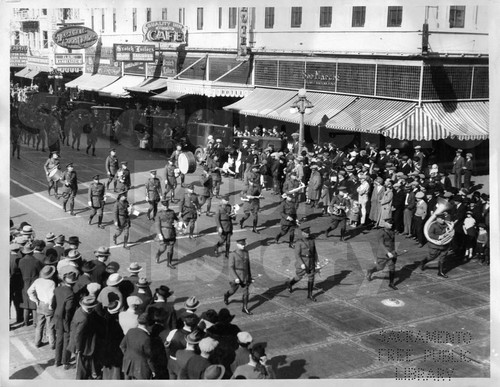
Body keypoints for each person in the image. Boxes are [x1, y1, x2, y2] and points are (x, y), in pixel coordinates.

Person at [67, 295, 100, 379]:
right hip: (81, 345)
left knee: (85, 361)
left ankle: (90, 373)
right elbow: (78, 335)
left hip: (77, 340)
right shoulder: (84, 319)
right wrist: (78, 348)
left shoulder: (79, 310)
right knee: (81, 365)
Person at [120, 312, 157, 380]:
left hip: (127, 366)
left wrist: (128, 355)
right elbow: (149, 358)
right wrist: (153, 370)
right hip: (142, 370)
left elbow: (122, 346)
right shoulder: (146, 338)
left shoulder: (130, 331)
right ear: (148, 324)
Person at [53, 271, 78, 369]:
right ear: (73, 283)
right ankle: (65, 362)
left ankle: (57, 360)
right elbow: (68, 309)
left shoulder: (57, 289)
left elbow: (53, 303)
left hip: (57, 316)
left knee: (59, 339)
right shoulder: (70, 293)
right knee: (66, 340)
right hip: (66, 319)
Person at [27, 265, 56, 347]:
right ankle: (52, 344)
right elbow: (52, 296)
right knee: (50, 325)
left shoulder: (37, 281)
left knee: (39, 325)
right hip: (48, 305)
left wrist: (35, 300)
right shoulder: (52, 283)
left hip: (40, 304)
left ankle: (37, 342)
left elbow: (29, 291)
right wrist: (51, 305)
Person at [366, 218, 399, 290]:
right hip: (383, 253)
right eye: (390, 223)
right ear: (385, 224)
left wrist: (394, 252)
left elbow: (392, 242)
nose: (391, 225)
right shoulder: (381, 232)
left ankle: (391, 283)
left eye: (392, 223)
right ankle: (370, 271)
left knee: (392, 268)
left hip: (391, 253)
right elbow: (381, 244)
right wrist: (387, 252)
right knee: (380, 268)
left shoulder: (392, 231)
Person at [287, 227, 318, 302]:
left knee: (311, 277)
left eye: (308, 233)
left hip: (311, 262)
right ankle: (290, 283)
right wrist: (301, 264)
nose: (308, 234)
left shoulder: (311, 240)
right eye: (306, 233)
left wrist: (317, 261)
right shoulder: (299, 242)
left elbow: (314, 252)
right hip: (303, 262)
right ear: (303, 233)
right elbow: (297, 255)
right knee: (299, 277)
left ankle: (309, 295)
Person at [223, 238, 254, 315]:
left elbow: (248, 266)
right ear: (237, 245)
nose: (243, 246)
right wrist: (236, 278)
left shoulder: (246, 252)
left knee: (246, 292)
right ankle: (226, 295)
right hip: (236, 277)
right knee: (233, 291)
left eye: (244, 244)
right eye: (241, 245)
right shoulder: (233, 254)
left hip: (245, 276)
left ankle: (245, 308)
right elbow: (230, 267)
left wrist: (250, 277)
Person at [419, 212, 452, 278]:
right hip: (435, 245)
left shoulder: (447, 225)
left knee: (443, 257)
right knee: (432, 256)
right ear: (438, 219)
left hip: (445, 245)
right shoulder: (433, 225)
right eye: (442, 219)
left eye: (444, 219)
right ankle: (423, 262)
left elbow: (450, 231)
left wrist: (450, 234)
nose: (443, 220)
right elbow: (430, 234)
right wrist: (439, 237)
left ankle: (440, 272)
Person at [18, 242, 43, 327]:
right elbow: (41, 272)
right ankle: (35, 323)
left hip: (24, 283)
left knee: (26, 304)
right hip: (34, 283)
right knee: (34, 303)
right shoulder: (36, 261)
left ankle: (25, 322)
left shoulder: (21, 261)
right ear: (32, 251)